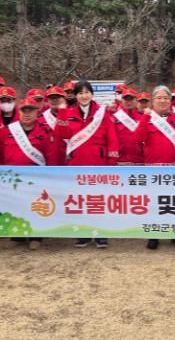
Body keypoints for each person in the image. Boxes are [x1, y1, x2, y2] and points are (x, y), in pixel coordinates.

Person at [55, 80, 119, 248]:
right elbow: (60, 134)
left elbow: (112, 137)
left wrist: (112, 160)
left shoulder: (102, 113)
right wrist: (61, 113)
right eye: (80, 93)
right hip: (76, 163)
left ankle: (101, 234)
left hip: (99, 162)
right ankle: (83, 234)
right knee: (80, 199)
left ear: (92, 94)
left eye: (87, 92)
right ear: (76, 96)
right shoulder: (68, 113)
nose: (84, 96)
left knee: (98, 200)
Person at [0, 98, 57, 250]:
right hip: (14, 178)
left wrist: (50, 175)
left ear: (37, 112)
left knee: (36, 206)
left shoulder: (45, 131)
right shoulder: (9, 130)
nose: (27, 114)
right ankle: (18, 234)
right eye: (24, 110)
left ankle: (36, 236)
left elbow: (51, 155)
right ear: (19, 112)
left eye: (30, 110)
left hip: (36, 177)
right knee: (16, 205)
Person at [134, 85, 175, 250]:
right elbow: (137, 138)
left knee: (174, 202)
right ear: (153, 101)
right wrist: (145, 118)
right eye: (159, 98)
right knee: (154, 203)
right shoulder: (147, 118)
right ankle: (154, 234)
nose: (162, 101)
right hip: (153, 169)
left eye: (166, 98)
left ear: (170, 101)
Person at [111, 88, 144, 165]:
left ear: (136, 100)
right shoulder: (116, 117)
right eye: (126, 99)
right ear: (122, 100)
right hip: (121, 161)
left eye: (131, 99)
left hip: (140, 161)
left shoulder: (143, 116)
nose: (128, 102)